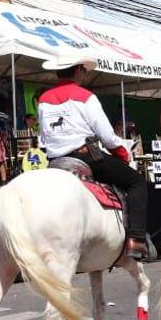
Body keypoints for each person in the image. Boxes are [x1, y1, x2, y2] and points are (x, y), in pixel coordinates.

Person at [37, 53, 149, 258]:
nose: (85, 74)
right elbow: (107, 136)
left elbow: (43, 139)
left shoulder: (43, 99)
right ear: (78, 70)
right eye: (84, 70)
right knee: (137, 183)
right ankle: (136, 240)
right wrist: (122, 153)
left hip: (55, 162)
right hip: (86, 158)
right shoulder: (86, 96)